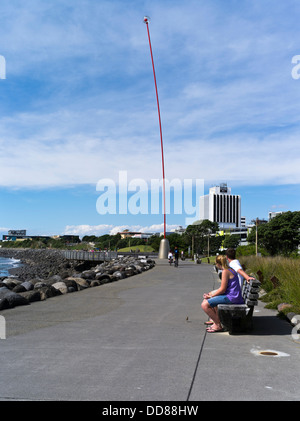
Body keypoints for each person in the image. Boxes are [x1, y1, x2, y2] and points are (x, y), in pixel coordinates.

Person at [201, 255, 244, 333]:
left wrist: (211, 296)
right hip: (235, 296)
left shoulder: (225, 272)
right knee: (211, 300)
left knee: (204, 305)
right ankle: (216, 322)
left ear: (218, 264)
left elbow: (222, 289)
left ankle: (217, 325)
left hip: (232, 298)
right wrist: (211, 295)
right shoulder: (231, 270)